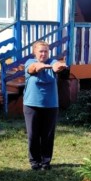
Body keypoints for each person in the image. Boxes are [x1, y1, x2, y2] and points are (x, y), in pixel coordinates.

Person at [23, 40, 67, 171]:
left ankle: (45, 162)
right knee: (33, 135)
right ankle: (34, 162)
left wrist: (59, 66)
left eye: (46, 51)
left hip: (51, 105)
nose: (43, 53)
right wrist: (44, 67)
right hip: (31, 104)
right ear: (34, 52)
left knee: (47, 135)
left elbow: (57, 65)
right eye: (40, 51)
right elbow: (33, 68)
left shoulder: (52, 62)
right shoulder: (30, 62)